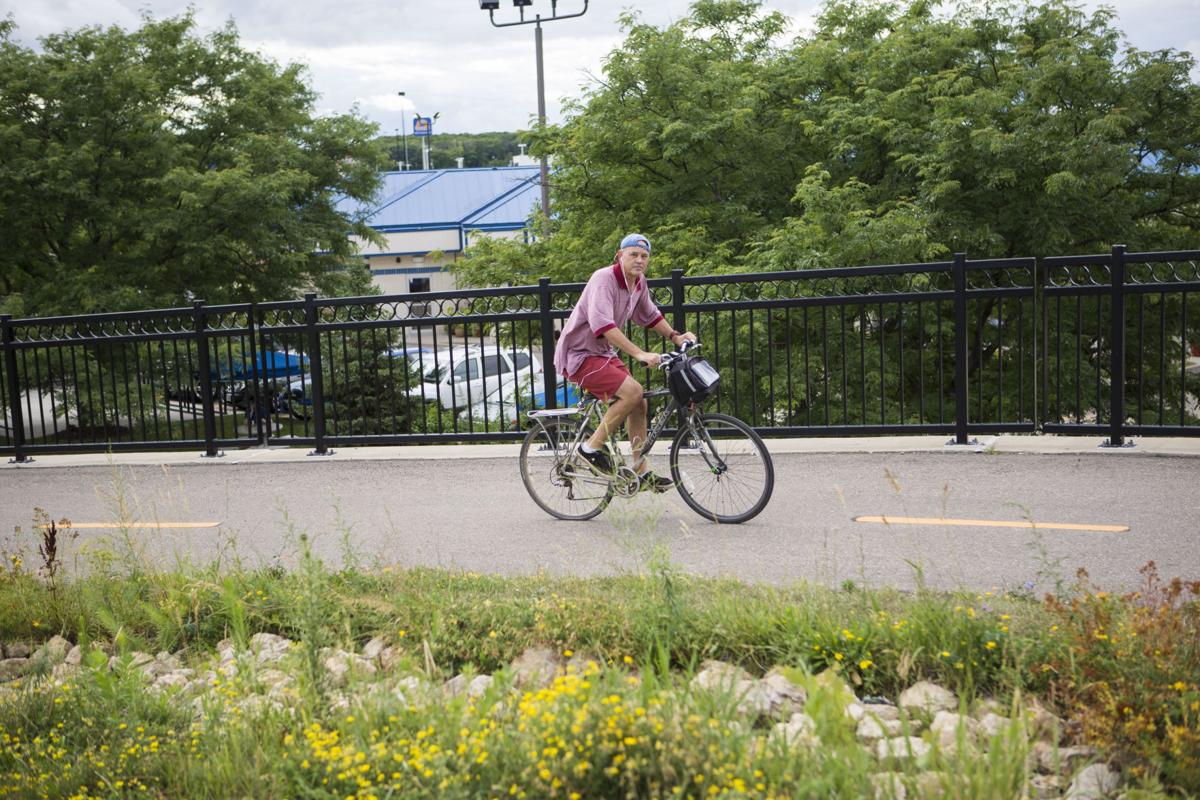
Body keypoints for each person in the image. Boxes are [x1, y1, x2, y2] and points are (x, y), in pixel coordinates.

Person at [552, 233, 697, 492]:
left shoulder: (638, 282)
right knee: (633, 392)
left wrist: (676, 337)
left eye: (644, 256)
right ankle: (590, 448)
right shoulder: (603, 279)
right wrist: (639, 354)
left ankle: (641, 470)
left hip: (602, 353)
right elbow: (603, 325)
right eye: (633, 254)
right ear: (620, 256)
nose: (639, 260)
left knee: (639, 402)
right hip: (579, 354)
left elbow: (650, 315)